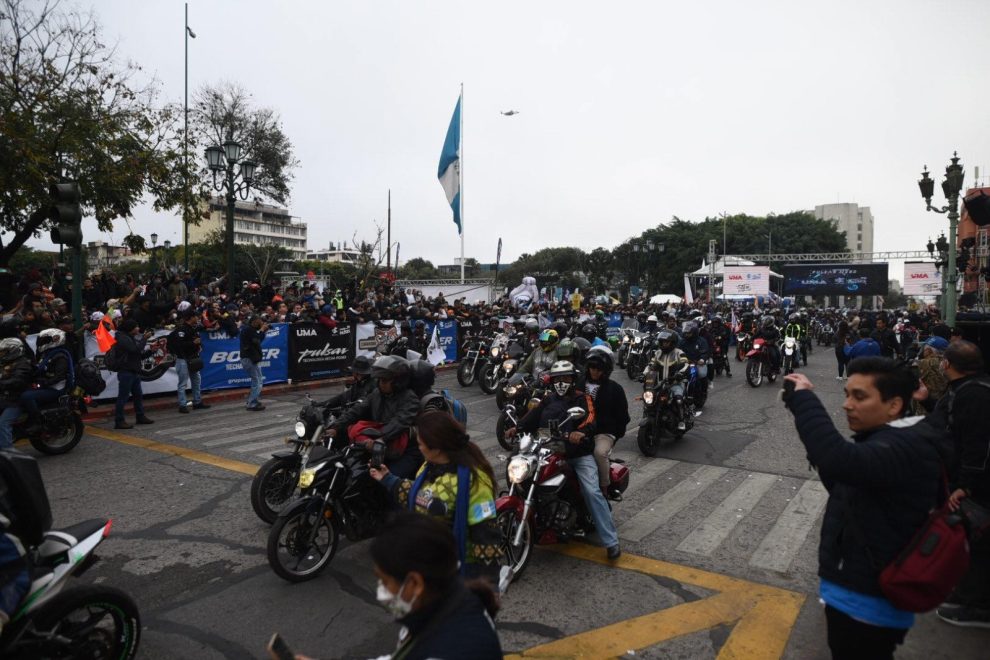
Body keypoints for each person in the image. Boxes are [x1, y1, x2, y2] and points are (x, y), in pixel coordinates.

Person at [783, 358, 943, 659]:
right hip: (856, 590)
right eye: (847, 394)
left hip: (868, 603)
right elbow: (845, 483)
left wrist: (804, 400)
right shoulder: (892, 439)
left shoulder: (903, 447)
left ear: (894, 405)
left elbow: (838, 460)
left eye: (860, 396)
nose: (846, 405)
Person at [370, 411, 502, 582]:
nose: (418, 447)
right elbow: (422, 496)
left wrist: (487, 587)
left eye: (420, 444)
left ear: (436, 447)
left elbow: (486, 533)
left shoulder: (475, 481)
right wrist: (388, 479)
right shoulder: (428, 466)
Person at [507, 360, 621, 560]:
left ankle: (611, 541)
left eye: (566, 378)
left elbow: (590, 420)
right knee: (521, 475)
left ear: (572, 379)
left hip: (577, 453)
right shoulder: (548, 399)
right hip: (548, 450)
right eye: (558, 379)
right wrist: (517, 428)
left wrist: (580, 432)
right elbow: (533, 417)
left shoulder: (582, 399)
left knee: (591, 491)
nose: (561, 382)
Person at [931, 340, 990, 628]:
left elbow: (977, 446)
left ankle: (978, 606)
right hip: (958, 478)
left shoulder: (976, 395)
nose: (941, 363)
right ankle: (965, 591)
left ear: (949, 365)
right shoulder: (963, 389)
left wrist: (965, 485)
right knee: (965, 538)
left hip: (977, 487)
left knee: (978, 542)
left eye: (944, 360)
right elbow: (947, 425)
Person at [329, 355, 422, 478]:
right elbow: (357, 410)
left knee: (385, 481)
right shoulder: (377, 393)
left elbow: (399, 422)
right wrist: (336, 426)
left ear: (398, 381)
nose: (380, 383)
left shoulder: (409, 399)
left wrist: (381, 438)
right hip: (380, 445)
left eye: (384, 380)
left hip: (405, 449)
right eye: (379, 380)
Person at [583, 347, 630, 498]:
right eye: (592, 367)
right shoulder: (578, 384)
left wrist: (615, 434)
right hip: (579, 430)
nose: (594, 371)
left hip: (603, 433)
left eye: (598, 369)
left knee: (599, 453)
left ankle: (604, 488)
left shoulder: (615, 389)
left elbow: (622, 416)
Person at [19, 329, 73, 425]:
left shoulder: (60, 356)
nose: (41, 343)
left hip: (56, 388)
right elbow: (39, 369)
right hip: (47, 385)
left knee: (26, 396)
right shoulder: (48, 354)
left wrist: (43, 383)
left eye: (45, 341)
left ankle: (37, 421)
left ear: (56, 340)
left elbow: (59, 376)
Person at [645, 330, 691, 430]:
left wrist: (680, 374)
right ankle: (647, 415)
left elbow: (686, 364)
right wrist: (643, 374)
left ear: (673, 342)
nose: (664, 344)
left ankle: (682, 420)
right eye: (662, 342)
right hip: (659, 383)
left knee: (678, 399)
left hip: (675, 383)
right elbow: (650, 366)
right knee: (649, 398)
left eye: (667, 342)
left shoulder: (679, 352)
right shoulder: (657, 353)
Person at [113, 319, 154, 429]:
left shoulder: (129, 337)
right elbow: (135, 350)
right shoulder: (122, 338)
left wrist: (151, 351)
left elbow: (138, 356)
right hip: (126, 372)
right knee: (123, 397)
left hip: (133, 371)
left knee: (138, 396)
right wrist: (144, 339)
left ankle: (140, 416)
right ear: (130, 328)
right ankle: (119, 420)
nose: (138, 329)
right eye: (136, 327)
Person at [168, 310, 210, 414]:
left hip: (193, 358)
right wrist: (193, 343)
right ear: (190, 318)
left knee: (196, 381)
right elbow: (179, 345)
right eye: (196, 316)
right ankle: (182, 405)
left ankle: (197, 402)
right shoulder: (181, 330)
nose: (197, 318)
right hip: (183, 359)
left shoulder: (193, 329)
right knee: (183, 383)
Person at [0, 339, 33, 448]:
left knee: (3, 423)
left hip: (16, 400)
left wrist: (1, 383)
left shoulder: (23, 364)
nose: (2, 354)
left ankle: (7, 455)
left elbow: (18, 381)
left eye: (4, 351)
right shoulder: (7, 363)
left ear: (13, 351)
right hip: (6, 398)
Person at [239, 314, 267, 411]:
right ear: (254, 321)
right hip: (249, 359)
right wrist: (262, 330)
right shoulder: (249, 330)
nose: (261, 323)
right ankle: (252, 403)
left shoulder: (249, 330)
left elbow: (257, 339)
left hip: (250, 358)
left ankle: (252, 400)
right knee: (257, 381)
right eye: (260, 321)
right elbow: (257, 340)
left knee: (258, 380)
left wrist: (262, 331)